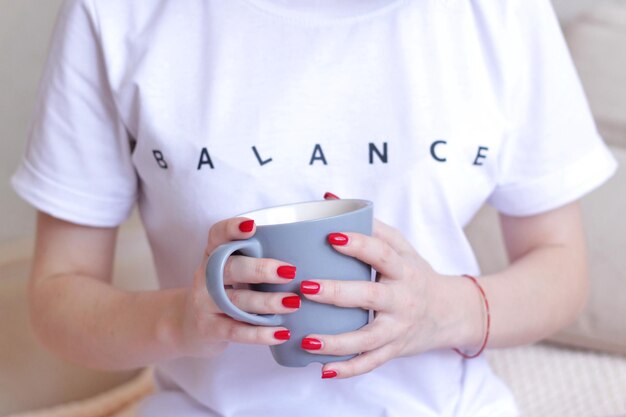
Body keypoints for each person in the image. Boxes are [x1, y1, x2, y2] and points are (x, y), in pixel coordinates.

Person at [12, 0, 617, 415]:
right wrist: (182, 319)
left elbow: (560, 267)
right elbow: (58, 294)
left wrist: (443, 309)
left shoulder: (501, 13)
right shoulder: (119, 14)